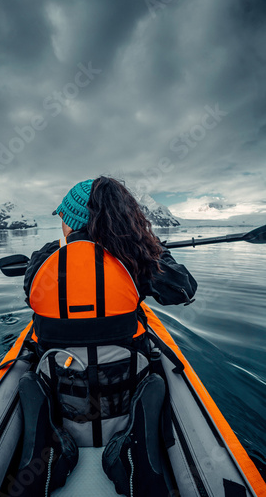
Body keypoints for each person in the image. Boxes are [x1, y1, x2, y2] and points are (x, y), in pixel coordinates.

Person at [17, 176, 197, 496]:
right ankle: (133, 443)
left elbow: (29, 295)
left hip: (62, 385)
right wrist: (152, 249)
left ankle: (50, 440)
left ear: (70, 221)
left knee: (33, 373)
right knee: (152, 377)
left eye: (62, 217)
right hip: (124, 385)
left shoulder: (44, 258)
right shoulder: (135, 258)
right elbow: (183, 290)